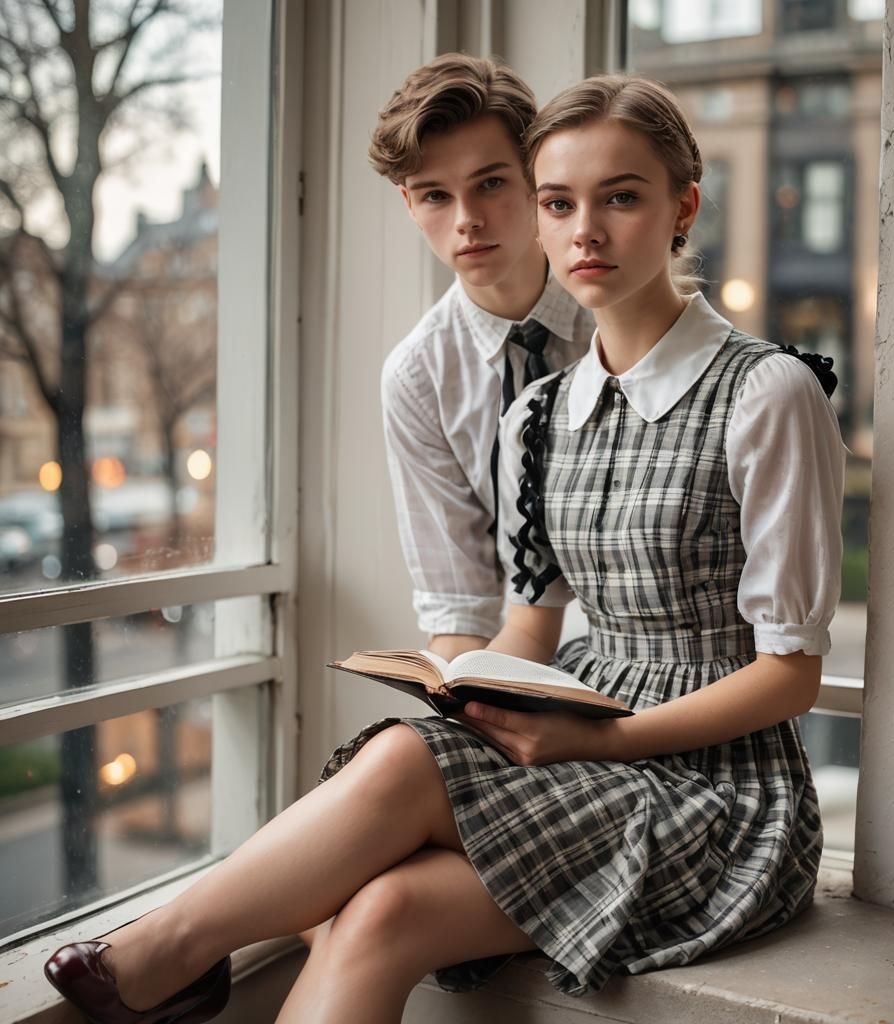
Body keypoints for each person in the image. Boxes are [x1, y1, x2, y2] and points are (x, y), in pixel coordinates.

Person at [42, 73, 845, 1024]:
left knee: (396, 782)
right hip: (585, 746)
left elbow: (791, 676)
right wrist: (480, 701)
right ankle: (169, 959)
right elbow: (528, 624)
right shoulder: (536, 415)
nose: (585, 231)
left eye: (621, 198)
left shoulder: (768, 392)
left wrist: (596, 739)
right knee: (379, 907)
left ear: (683, 206)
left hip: (721, 790)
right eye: (560, 204)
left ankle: (162, 955)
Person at [372, 53, 593, 663]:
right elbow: (459, 608)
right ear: (408, 203)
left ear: (534, 176)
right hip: (520, 665)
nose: (466, 220)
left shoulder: (619, 311)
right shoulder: (418, 377)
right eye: (435, 195)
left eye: (490, 183)